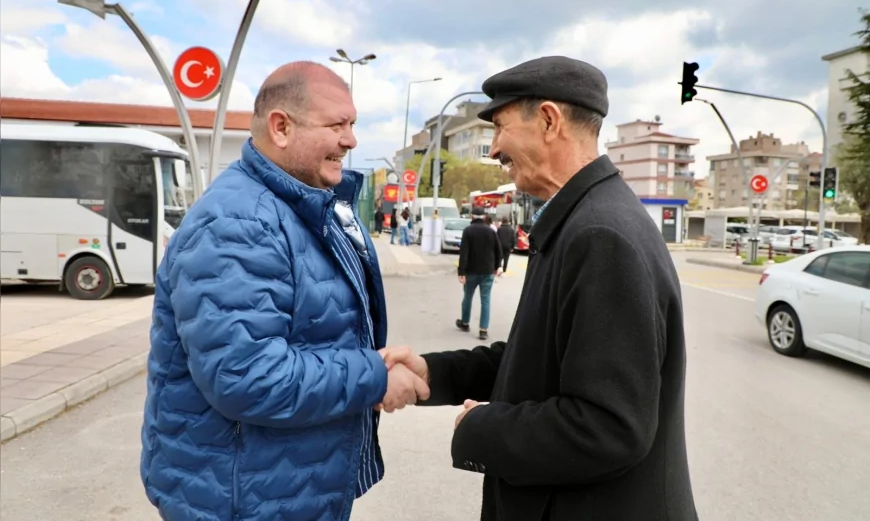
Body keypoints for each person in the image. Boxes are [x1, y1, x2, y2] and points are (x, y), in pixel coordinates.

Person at [381, 56, 698, 520]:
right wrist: (432, 372)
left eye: (500, 127)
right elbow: (537, 361)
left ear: (549, 121)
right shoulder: (583, 218)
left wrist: (480, 428)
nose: (494, 149)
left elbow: (609, 427)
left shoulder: (600, 234)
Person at [140, 61, 429, 521]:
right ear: (281, 127)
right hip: (244, 499)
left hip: (282, 486)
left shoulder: (298, 207)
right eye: (337, 125)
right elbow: (248, 376)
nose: (351, 140)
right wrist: (374, 376)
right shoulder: (238, 223)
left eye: (352, 124)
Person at [456, 206, 502, 340]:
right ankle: (483, 329)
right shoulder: (491, 231)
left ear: (472, 216)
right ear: (484, 217)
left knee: (467, 297)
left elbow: (464, 252)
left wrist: (461, 271)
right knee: (485, 300)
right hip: (487, 271)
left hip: (471, 271)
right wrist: (497, 266)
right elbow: (498, 250)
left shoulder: (468, 230)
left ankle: (465, 323)